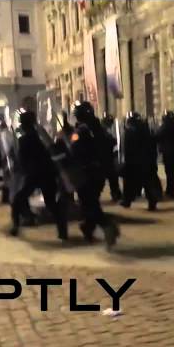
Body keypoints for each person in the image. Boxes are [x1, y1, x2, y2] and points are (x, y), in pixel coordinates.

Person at [7, 110, 67, 240]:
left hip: (35, 174)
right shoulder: (41, 135)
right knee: (51, 203)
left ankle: (15, 226)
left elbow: (21, 159)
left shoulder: (25, 139)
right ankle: (63, 231)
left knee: (18, 200)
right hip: (47, 173)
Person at [71, 101, 120, 248]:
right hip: (99, 173)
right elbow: (110, 142)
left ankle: (107, 226)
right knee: (90, 202)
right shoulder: (99, 128)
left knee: (89, 203)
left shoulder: (81, 131)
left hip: (86, 173)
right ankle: (87, 228)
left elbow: (74, 150)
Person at [120, 111, 160, 211]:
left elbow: (126, 148)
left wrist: (125, 161)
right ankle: (152, 202)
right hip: (146, 161)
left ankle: (127, 201)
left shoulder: (129, 131)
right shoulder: (146, 130)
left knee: (130, 183)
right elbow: (153, 145)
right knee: (148, 182)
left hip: (134, 162)